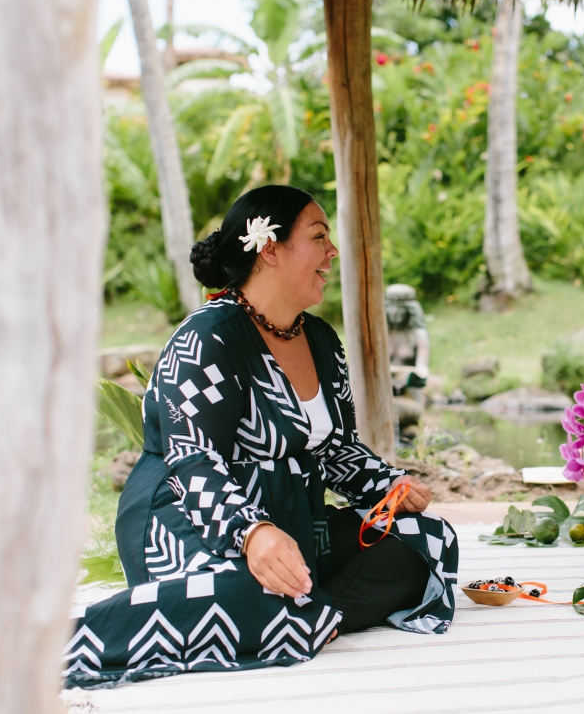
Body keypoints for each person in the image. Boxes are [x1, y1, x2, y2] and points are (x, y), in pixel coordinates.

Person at [63, 186, 458, 689]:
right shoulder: (206, 339)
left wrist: (389, 487)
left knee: (424, 541)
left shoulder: (319, 339)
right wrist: (252, 533)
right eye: (318, 237)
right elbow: (194, 463)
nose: (331, 252)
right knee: (246, 593)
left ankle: (306, 615)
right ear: (269, 249)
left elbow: (334, 449)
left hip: (291, 521)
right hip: (188, 518)